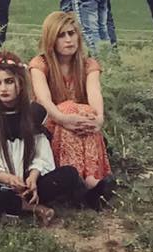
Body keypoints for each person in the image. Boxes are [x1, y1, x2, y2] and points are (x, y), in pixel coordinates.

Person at [0, 51, 88, 224]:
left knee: (69, 174)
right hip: (3, 184)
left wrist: (32, 176)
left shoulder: (35, 113)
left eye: (9, 81)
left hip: (31, 182)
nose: (3, 88)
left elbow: (41, 154)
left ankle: (16, 206)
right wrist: (9, 179)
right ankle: (34, 208)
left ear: (20, 82)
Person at [28, 11, 113, 207]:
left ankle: (90, 180)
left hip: (81, 124)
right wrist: (64, 117)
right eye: (61, 35)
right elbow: (44, 100)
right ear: (51, 39)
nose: (69, 40)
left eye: (72, 33)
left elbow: (95, 95)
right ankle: (79, 180)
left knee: (87, 112)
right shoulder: (40, 64)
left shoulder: (88, 64)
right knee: (67, 108)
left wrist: (98, 118)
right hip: (49, 124)